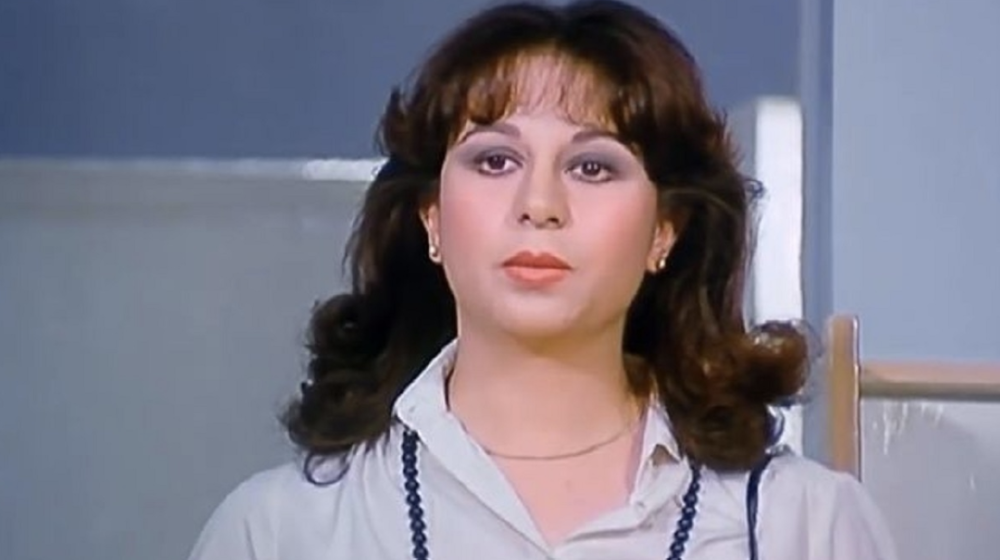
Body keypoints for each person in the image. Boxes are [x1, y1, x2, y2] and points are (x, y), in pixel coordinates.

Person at [188, 1, 898, 559]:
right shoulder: (279, 530)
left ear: (664, 231)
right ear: (431, 217)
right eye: (495, 161)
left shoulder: (805, 526)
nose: (539, 204)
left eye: (592, 167)